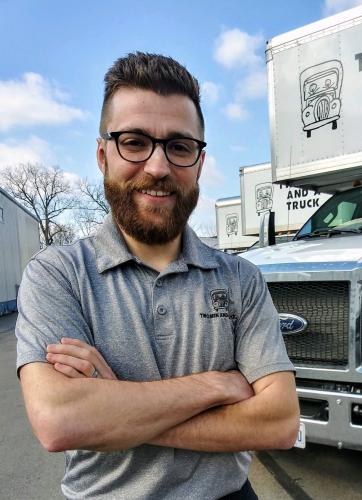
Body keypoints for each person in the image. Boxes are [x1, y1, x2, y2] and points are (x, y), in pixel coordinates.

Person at [16, 52, 299, 499]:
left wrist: (115, 410)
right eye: (134, 141)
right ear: (102, 154)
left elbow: (280, 422)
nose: (158, 167)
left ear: (199, 163)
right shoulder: (57, 275)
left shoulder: (241, 278)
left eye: (180, 146)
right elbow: (60, 421)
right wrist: (217, 385)